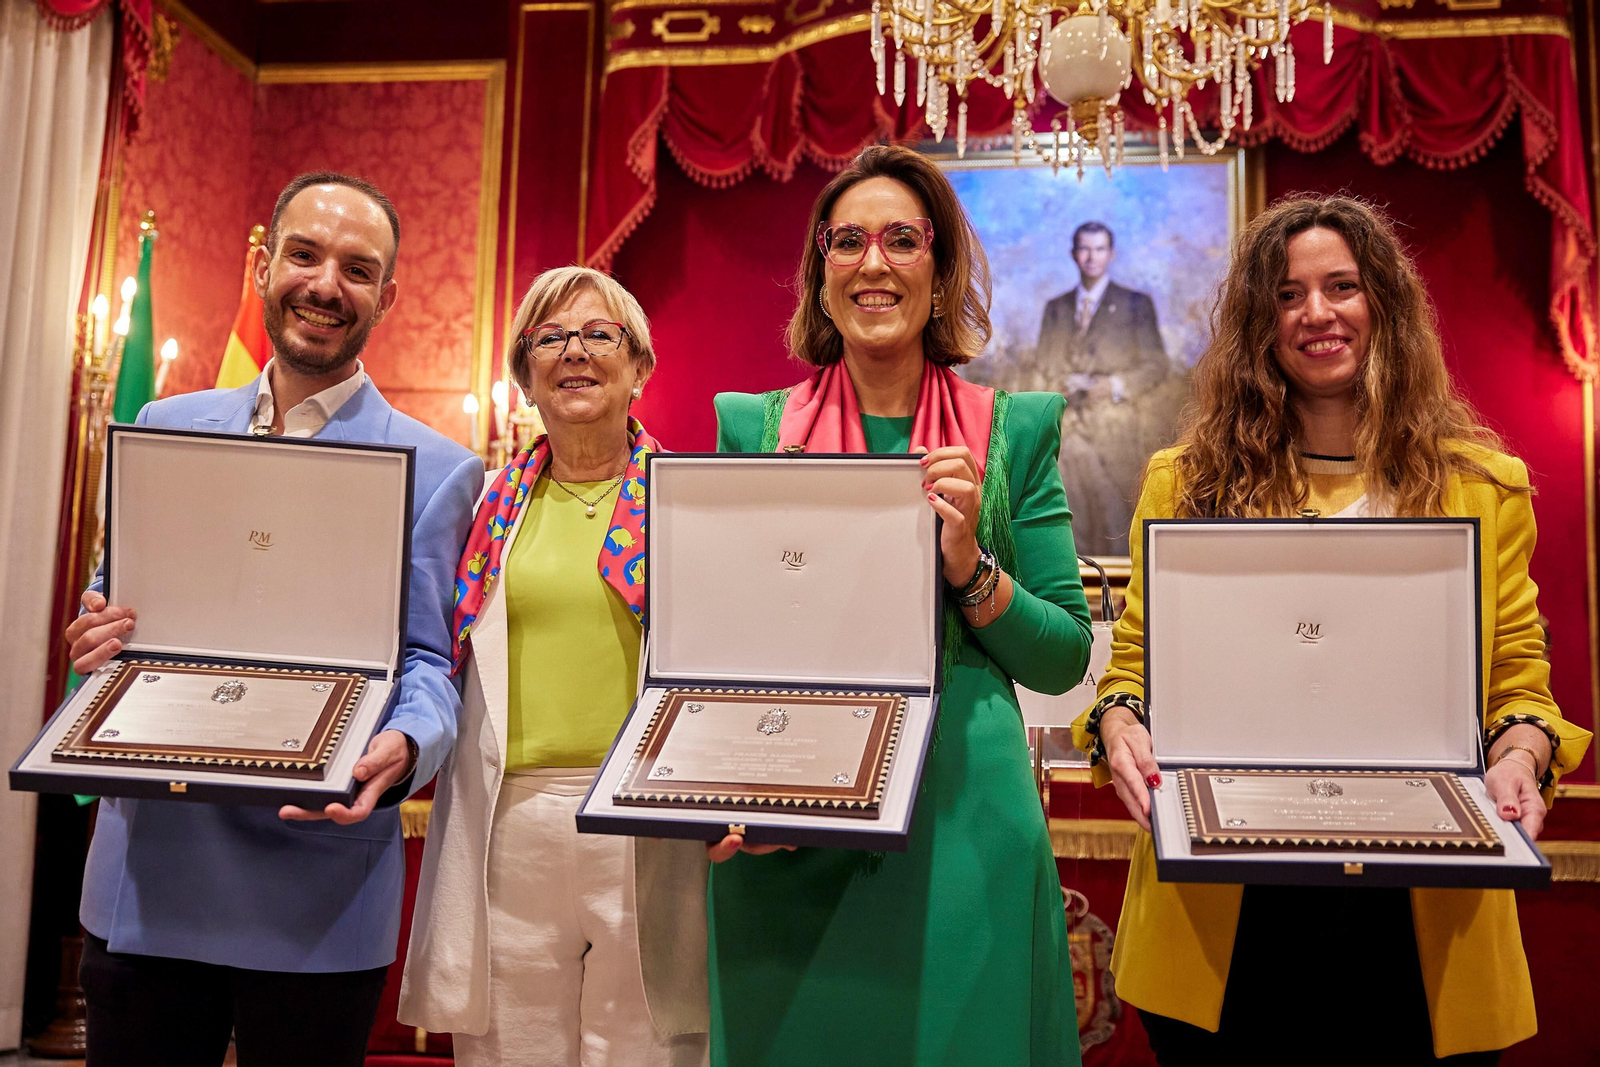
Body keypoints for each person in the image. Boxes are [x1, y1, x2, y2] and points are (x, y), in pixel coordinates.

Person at [1072, 194, 1594, 1064]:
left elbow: (1518, 680)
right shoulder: (1187, 484)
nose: (1316, 312)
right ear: (1256, 322)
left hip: (1421, 913)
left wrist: (1519, 755)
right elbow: (1134, 671)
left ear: (1383, 304)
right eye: (1285, 293)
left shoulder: (1484, 486)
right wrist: (1121, 721)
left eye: (1342, 286)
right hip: (1225, 917)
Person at [62, 172, 482, 1067]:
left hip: (314, 895)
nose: (326, 285)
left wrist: (408, 746)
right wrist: (98, 630)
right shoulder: (164, 423)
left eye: (358, 269)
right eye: (304, 254)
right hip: (151, 877)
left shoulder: (439, 468)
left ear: (388, 297)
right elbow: (117, 601)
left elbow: (428, 663)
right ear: (263, 265)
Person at [706, 143, 1094, 1066]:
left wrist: (969, 566)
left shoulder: (1017, 431)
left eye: (901, 240)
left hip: (965, 829)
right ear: (820, 272)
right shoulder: (747, 429)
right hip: (787, 820)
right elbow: (713, 649)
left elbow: (1063, 656)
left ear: (941, 265)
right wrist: (726, 797)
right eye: (847, 242)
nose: (873, 263)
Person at [399, 266, 708, 1067]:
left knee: (644, 1050)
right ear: (525, 374)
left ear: (639, 366)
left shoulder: (692, 503)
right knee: (508, 1050)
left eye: (599, 334)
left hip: (645, 825)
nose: (574, 351)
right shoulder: (479, 505)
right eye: (550, 337)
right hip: (512, 825)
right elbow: (421, 646)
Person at [1036, 221, 1174, 557]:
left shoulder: (1135, 304)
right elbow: (1042, 365)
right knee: (1070, 521)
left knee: (1114, 520)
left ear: (1111, 254)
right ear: (1073, 254)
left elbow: (1157, 365)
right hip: (1068, 432)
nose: (1091, 257)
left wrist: (1114, 384)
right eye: (1084, 248)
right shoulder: (1057, 307)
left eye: (1099, 249)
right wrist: (1056, 384)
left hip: (1114, 431)